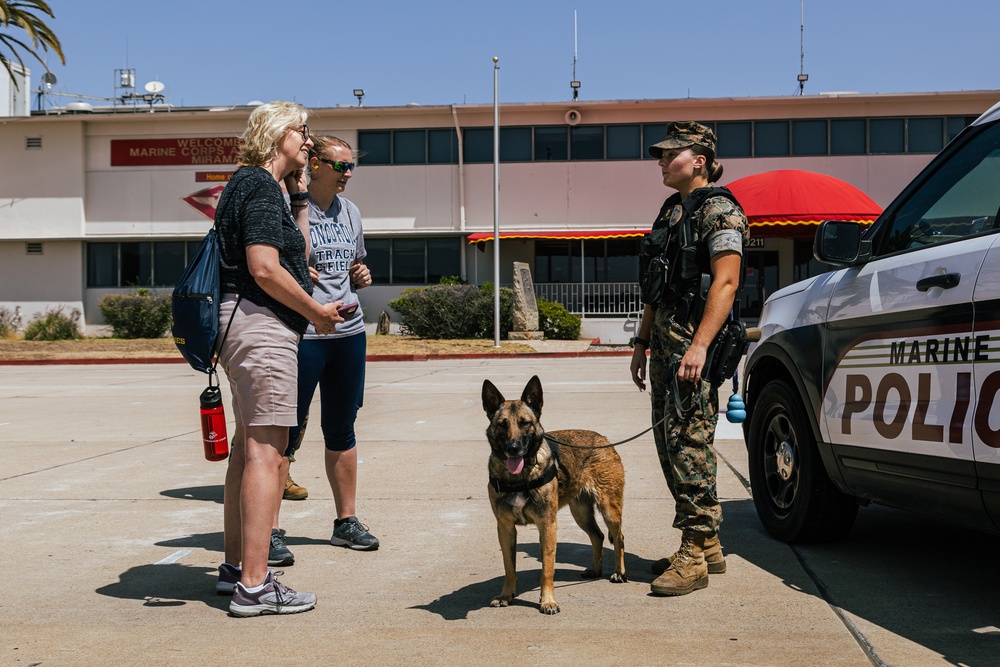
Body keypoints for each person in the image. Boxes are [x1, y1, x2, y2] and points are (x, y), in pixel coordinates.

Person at [214, 101, 345, 616]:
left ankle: (233, 570)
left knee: (248, 452)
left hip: (243, 324)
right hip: (263, 329)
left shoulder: (255, 185)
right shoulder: (259, 185)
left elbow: (292, 259)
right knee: (268, 454)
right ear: (276, 133)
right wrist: (316, 312)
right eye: (303, 131)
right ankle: (255, 585)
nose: (310, 142)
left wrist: (297, 195)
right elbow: (265, 268)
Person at [629, 121, 749, 597]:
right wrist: (641, 343)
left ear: (698, 159)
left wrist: (699, 345)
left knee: (688, 441)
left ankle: (694, 554)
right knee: (669, 440)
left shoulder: (719, 211)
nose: (660, 160)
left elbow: (726, 282)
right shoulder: (671, 211)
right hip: (665, 345)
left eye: (670, 153)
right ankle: (711, 545)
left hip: (692, 346)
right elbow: (656, 287)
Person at [278, 135, 379, 551]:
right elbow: (273, 265)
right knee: (285, 431)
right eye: (341, 166)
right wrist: (297, 271)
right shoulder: (287, 208)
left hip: (349, 335)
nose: (348, 174)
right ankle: (268, 530)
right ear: (314, 165)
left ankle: (346, 521)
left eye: (351, 166)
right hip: (304, 334)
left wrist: (361, 275)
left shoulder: (351, 212)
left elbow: (354, 262)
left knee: (342, 427)